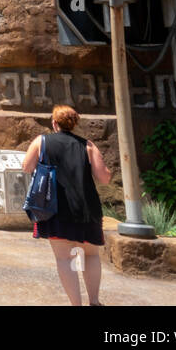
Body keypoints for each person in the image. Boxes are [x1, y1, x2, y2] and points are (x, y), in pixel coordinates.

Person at [22, 104, 113, 306]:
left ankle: (76, 304)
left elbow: (26, 166)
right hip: (87, 208)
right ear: (74, 124)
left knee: (64, 258)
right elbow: (104, 177)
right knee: (91, 254)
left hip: (55, 208)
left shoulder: (42, 141)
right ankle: (95, 301)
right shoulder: (88, 145)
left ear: (54, 123)